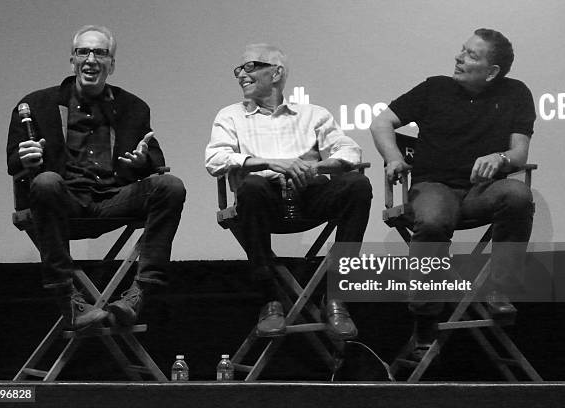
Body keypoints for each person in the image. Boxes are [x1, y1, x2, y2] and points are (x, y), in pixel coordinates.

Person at [6, 25, 186, 330]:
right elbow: (13, 162)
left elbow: (154, 160)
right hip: (63, 202)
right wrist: (25, 158)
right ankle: (69, 299)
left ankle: (138, 294)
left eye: (100, 53)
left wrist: (143, 161)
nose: (91, 59)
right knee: (46, 182)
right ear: (72, 60)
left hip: (112, 198)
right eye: (83, 52)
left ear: (111, 64)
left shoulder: (133, 107)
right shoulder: (37, 104)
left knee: (170, 186)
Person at [370, 28, 536, 357]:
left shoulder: (516, 93)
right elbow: (381, 123)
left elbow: (519, 154)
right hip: (433, 186)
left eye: (471, 55)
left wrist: (499, 158)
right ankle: (425, 320)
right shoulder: (436, 88)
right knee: (432, 219)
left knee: (518, 196)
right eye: (462, 50)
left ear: (492, 72)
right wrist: (393, 158)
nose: (459, 58)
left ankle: (499, 291)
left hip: (480, 191)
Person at [205, 44, 372, 338]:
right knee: (253, 186)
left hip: (311, 194)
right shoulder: (230, 116)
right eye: (239, 70)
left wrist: (315, 168)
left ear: (276, 72)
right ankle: (270, 297)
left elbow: (351, 151)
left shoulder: (313, 114)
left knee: (358, 184)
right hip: (263, 201)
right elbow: (215, 159)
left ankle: (337, 294)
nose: (241, 75)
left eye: (250, 67)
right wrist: (270, 163)